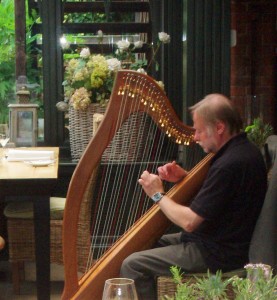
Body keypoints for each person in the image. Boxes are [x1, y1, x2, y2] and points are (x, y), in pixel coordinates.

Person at [120, 93, 267, 299]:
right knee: (139, 243)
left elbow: (190, 222)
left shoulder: (230, 164)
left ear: (219, 127)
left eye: (198, 130)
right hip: (213, 240)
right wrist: (184, 177)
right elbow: (221, 197)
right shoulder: (242, 152)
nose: (195, 137)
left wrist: (157, 195)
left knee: (133, 265)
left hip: (216, 253)